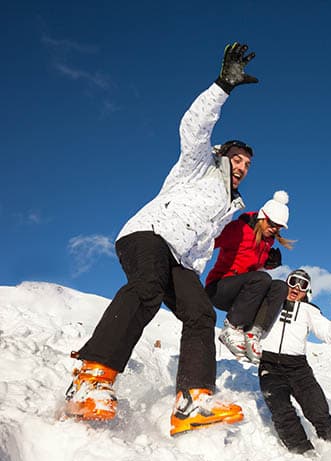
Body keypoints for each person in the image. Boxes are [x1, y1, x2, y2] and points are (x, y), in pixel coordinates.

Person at [65, 42, 260, 436]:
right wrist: (223, 86)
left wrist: (194, 278)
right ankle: (91, 377)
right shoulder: (197, 166)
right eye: (237, 159)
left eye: (247, 165)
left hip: (180, 258)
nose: (241, 167)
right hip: (147, 235)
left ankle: (193, 399)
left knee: (201, 313)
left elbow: (203, 246)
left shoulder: (229, 204)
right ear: (222, 156)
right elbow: (194, 127)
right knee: (147, 289)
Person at [253, 269, 331, 454]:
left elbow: (328, 335)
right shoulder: (270, 302)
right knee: (282, 411)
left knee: (318, 411)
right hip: (270, 367)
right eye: (293, 281)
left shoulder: (310, 311)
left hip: (299, 369)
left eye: (303, 285)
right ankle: (302, 451)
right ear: (286, 283)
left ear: (307, 291)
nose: (296, 287)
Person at [205, 190, 295, 361]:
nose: (273, 228)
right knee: (262, 278)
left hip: (242, 297)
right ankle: (231, 328)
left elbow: (249, 264)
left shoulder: (269, 240)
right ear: (262, 216)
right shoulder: (238, 229)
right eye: (271, 223)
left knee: (280, 287)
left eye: (278, 226)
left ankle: (254, 333)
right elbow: (209, 241)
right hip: (218, 288)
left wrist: (268, 264)